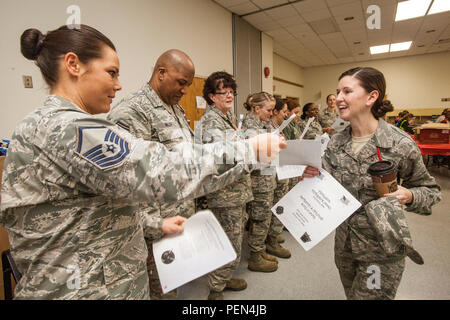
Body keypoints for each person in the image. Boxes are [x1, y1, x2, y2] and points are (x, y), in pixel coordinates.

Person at [0, 24, 286, 300]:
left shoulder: (71, 124)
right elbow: (153, 170)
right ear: (73, 65)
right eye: (111, 73)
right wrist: (246, 149)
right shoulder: (63, 127)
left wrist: (153, 223)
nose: (118, 84)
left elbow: (100, 203)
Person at [322, 66, 441, 300]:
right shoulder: (335, 143)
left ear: (371, 97)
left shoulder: (399, 143)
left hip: (381, 251)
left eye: (347, 91)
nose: (338, 98)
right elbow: (326, 186)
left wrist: (410, 196)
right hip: (345, 247)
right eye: (337, 92)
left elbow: (431, 191)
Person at [107, 49, 197, 299]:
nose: (185, 90)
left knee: (172, 284)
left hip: (177, 217)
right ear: (161, 73)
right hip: (154, 228)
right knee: (157, 290)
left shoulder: (176, 109)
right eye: (181, 83)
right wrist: (154, 226)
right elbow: (128, 179)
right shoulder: (132, 111)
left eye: (188, 85)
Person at [194, 71, 252, 300]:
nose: (229, 95)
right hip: (225, 194)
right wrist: (252, 149)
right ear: (211, 96)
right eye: (223, 92)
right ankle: (216, 288)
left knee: (233, 238)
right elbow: (223, 157)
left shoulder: (226, 118)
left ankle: (223, 278)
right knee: (229, 240)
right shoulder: (211, 121)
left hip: (236, 191)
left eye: (232, 91)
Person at [242, 92, 279, 273]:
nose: (271, 113)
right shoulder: (250, 128)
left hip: (267, 178)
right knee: (259, 218)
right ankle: (255, 256)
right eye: (269, 110)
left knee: (264, 217)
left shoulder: (263, 125)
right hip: (258, 182)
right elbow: (248, 159)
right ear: (256, 109)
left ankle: (260, 249)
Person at [266, 98, 291, 259]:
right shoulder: (268, 128)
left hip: (282, 171)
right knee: (274, 206)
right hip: (273, 173)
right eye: (284, 111)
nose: (286, 114)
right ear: (275, 112)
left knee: (279, 204)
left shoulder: (277, 127)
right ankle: (271, 240)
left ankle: (272, 235)